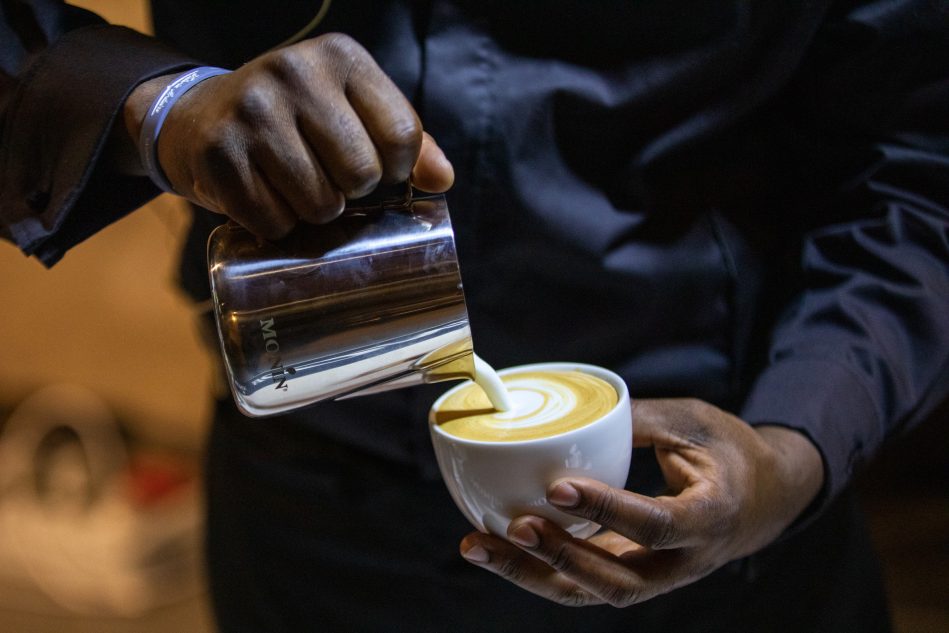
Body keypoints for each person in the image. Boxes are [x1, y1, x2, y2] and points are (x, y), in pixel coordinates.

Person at [2, 1, 947, 631]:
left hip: (712, 506)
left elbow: (923, 160)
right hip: (313, 509)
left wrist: (798, 445)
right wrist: (154, 107)